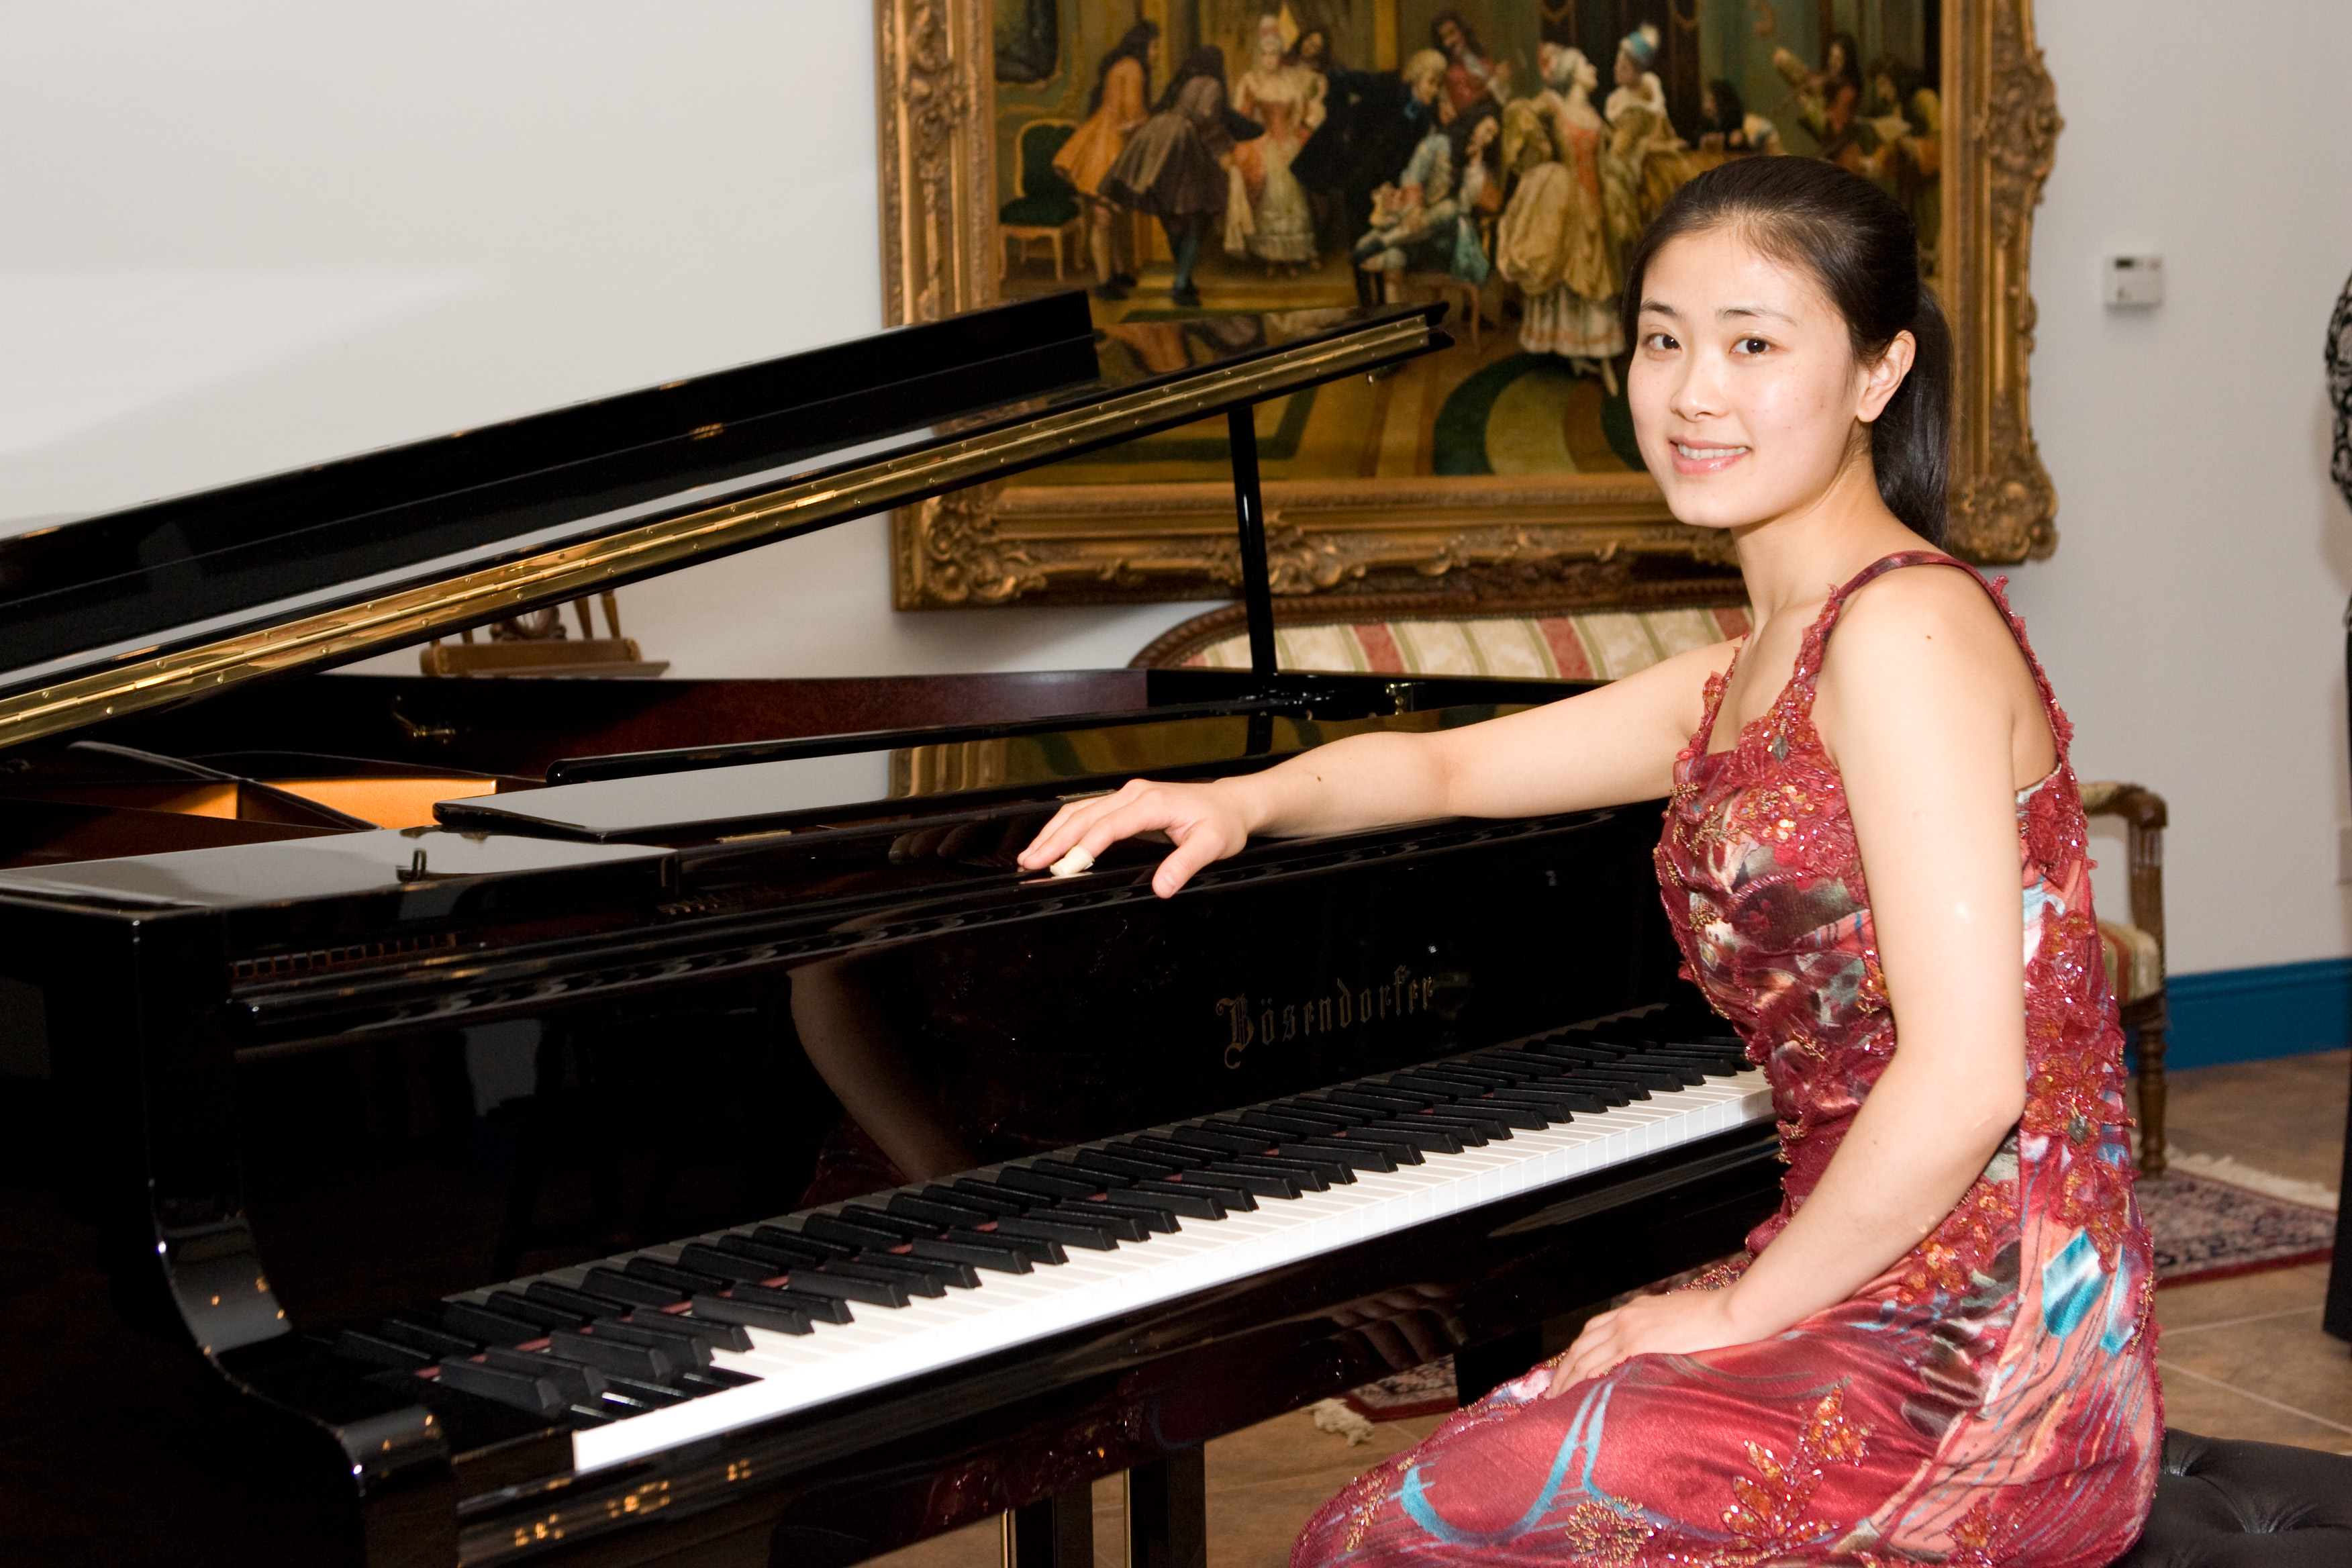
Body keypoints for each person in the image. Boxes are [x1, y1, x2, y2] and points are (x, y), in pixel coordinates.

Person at [1020, 156, 2159, 1565]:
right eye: (1661, 340)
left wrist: (1730, 1313)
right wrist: (1236, 801)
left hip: (1985, 1350)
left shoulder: (1903, 635)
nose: (1691, 392)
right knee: (1416, 1507)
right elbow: (1448, 769)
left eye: (1752, 345)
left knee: (1385, 1536)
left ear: (1877, 372)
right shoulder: (1750, 670)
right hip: (1860, 1273)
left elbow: (1968, 1077)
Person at [1101, 45, 1263, 309]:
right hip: (1181, 145)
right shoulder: (1212, 85)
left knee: (1173, 214)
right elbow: (1206, 121)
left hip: (1158, 137)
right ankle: (1180, 284)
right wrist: (1223, 152)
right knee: (1196, 217)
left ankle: (1183, 279)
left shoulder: (1183, 83)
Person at [1496, 44, 1620, 380]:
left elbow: (1611, 158)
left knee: (1596, 277)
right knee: (1567, 275)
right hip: (1566, 203)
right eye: (1586, 64)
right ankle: (1570, 349)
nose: (1593, 69)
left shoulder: (1594, 116)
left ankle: (1595, 349)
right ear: (1571, 73)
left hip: (1596, 205)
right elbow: (1521, 112)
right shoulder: (1554, 103)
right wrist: (1538, 145)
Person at [1052, 21, 1159, 299]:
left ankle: (1116, 273)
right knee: (1103, 216)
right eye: (1155, 46)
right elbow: (1132, 115)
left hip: (1099, 137)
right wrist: (1153, 125)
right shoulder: (1134, 69)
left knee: (1105, 215)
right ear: (1143, 46)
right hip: (1108, 146)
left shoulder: (1121, 65)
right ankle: (1104, 282)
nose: (1157, 53)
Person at [1352, 104, 1500, 289]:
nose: (1489, 139)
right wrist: (1414, 209)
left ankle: (1384, 242)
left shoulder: (1476, 164)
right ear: (1474, 122)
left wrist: (1474, 164)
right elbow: (1412, 177)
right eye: (1488, 130)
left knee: (1449, 209)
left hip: (1445, 234)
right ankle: (1384, 255)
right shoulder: (1438, 143)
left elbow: (1466, 205)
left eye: (1493, 136)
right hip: (1412, 224)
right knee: (1364, 248)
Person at [1228, 14, 1325, 273]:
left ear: (1281, 55)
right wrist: (1257, 140)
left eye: (1274, 54)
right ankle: (1271, 257)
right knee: (1271, 196)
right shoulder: (1252, 81)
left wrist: (1301, 131)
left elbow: (1304, 113)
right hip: (1267, 146)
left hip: (1289, 146)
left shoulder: (1292, 80)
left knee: (1293, 198)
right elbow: (1241, 118)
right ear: (1260, 56)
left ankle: (1292, 257)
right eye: (1266, 54)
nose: (1270, 59)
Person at [1431, 10, 1509, 119]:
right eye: (1445, 38)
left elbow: (1502, 92)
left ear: (1462, 31)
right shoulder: (1451, 73)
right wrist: (1493, 83)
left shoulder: (1480, 59)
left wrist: (1502, 78)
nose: (1451, 41)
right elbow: (1465, 104)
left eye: (1452, 33)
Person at [1695, 76, 1784, 156]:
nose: (1706, 106)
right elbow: (1697, 137)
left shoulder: (1736, 119)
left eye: (1711, 101)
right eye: (1707, 101)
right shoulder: (1707, 120)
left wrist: (1723, 139)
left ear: (1721, 102)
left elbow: (1737, 142)